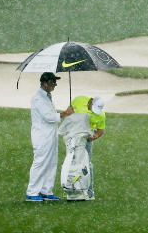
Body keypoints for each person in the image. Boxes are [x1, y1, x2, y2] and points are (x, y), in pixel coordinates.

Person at [25, 72, 73, 202]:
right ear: (44, 83)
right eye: (53, 82)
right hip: (41, 136)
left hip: (50, 135)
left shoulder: (47, 96)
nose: (55, 85)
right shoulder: (38, 98)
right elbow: (48, 116)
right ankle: (32, 192)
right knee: (40, 162)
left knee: (51, 162)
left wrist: (64, 114)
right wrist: (64, 114)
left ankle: (46, 190)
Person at [59, 95, 106, 201]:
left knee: (86, 163)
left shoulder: (101, 115)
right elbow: (69, 111)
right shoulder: (79, 100)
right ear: (91, 102)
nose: (93, 111)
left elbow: (101, 129)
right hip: (73, 135)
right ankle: (72, 188)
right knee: (72, 161)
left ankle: (89, 192)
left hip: (87, 137)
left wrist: (95, 136)